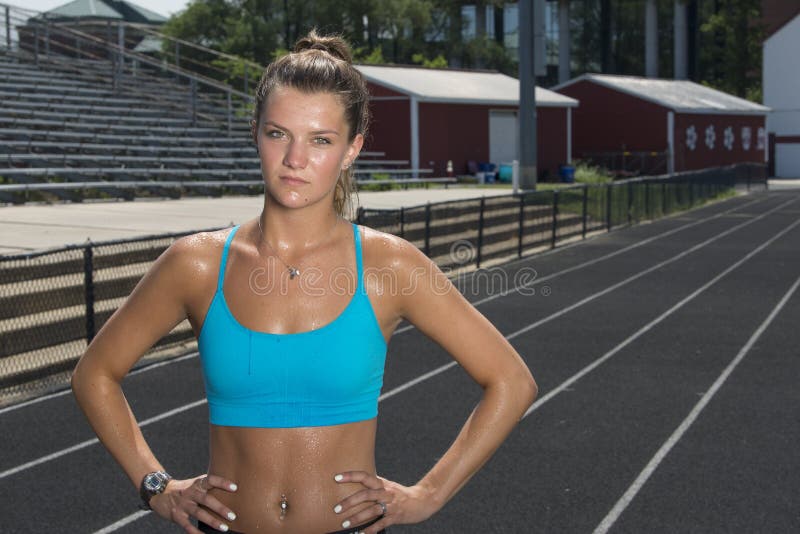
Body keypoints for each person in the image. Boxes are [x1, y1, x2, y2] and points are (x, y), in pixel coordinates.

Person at [71, 29, 538, 534]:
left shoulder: (389, 266)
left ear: (352, 148)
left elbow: (512, 382)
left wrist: (428, 495)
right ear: (256, 133)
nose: (296, 159)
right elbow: (94, 373)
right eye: (279, 134)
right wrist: (156, 486)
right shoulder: (197, 264)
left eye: (321, 140)